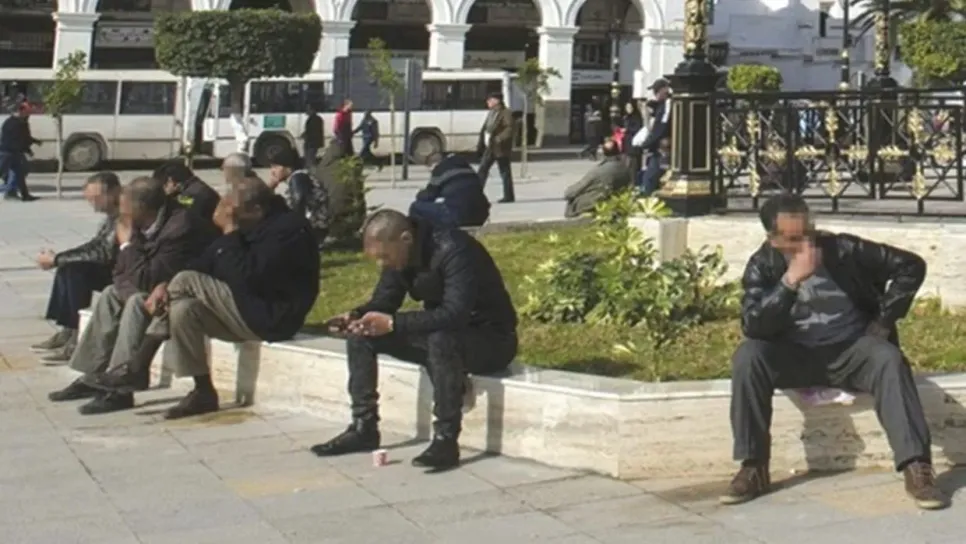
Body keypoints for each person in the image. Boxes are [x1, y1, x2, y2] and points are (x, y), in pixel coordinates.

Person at [723, 194, 947, 510]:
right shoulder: (763, 265)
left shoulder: (843, 250)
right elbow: (754, 325)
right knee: (748, 356)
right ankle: (753, 467)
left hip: (851, 349)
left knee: (887, 358)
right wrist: (789, 282)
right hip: (796, 354)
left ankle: (917, 468)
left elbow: (911, 266)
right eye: (793, 239)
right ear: (773, 239)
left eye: (808, 233)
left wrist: (883, 321)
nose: (805, 245)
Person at [94, 178, 320, 419]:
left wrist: (230, 232)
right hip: (244, 309)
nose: (226, 213)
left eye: (233, 209)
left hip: (272, 316)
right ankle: (203, 391)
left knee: (186, 280)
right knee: (183, 310)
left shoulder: (288, 230)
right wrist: (165, 285)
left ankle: (139, 365)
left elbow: (247, 277)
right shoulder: (249, 222)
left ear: (256, 209)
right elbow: (204, 262)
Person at [310, 209, 518, 470]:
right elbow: (385, 301)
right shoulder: (400, 257)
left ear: (406, 239)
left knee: (442, 340)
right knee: (361, 336)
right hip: (442, 335)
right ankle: (364, 427)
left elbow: (455, 313)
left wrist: (393, 324)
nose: (382, 264)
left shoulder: (454, 249)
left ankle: (446, 439)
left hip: (491, 340)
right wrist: (356, 316)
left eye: (385, 257)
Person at [46, 177, 217, 415]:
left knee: (137, 302)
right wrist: (126, 285)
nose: (121, 211)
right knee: (111, 293)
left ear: (142, 207)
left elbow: (151, 276)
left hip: (182, 291)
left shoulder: (180, 227)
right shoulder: (137, 222)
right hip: (150, 285)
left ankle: (120, 389)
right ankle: (93, 376)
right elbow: (120, 271)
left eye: (125, 205)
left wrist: (128, 248)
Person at [31, 172, 121, 362]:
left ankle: (75, 338)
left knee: (75, 271)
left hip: (125, 272)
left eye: (96, 198)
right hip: (114, 266)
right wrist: (59, 258)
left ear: (114, 192)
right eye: (90, 200)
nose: (94, 205)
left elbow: (104, 253)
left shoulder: (125, 214)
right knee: (68, 267)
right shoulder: (111, 215)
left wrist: (57, 259)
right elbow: (95, 244)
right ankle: (67, 330)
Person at [267, 147, 331, 245]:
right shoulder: (299, 176)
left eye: (276, 167)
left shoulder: (298, 178)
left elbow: (299, 201)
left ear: (287, 167)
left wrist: (293, 227)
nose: (272, 171)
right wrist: (270, 188)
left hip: (312, 229)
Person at [409, 152, 490, 228]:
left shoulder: (439, 169)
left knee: (415, 207)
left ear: (433, 164)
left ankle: (423, 236)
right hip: (481, 215)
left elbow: (428, 196)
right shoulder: (466, 166)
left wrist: (420, 194)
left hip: (458, 215)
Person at [563, 139, 632, 219]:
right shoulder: (624, 168)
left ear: (603, 153)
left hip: (597, 202)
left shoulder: (598, 171)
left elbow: (577, 188)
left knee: (573, 199)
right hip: (617, 201)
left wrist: (569, 192)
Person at [476, 92, 515, 204]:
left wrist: (499, 138)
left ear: (497, 101)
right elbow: (486, 128)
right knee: (482, 169)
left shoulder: (505, 113)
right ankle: (476, 194)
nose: (488, 102)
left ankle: (508, 196)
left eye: (490, 100)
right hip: (490, 147)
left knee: (504, 172)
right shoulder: (491, 112)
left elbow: (509, 129)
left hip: (500, 148)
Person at [152, 160, 220, 220]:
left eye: (162, 187)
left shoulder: (189, 196)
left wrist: (168, 198)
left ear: (171, 182)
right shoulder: (198, 188)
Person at [638, 78, 671, 195]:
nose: (654, 94)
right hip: (658, 148)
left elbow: (660, 128)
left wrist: (646, 143)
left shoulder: (668, 105)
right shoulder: (662, 105)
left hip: (662, 148)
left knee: (650, 179)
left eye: (656, 91)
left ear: (663, 90)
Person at [0, 103, 40, 202]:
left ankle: (24, 195)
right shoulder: (15, 123)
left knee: (20, 173)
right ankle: (12, 192)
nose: (29, 114)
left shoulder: (16, 122)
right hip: (7, 152)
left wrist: (30, 145)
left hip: (15, 152)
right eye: (27, 112)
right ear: (21, 111)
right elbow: (22, 139)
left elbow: (24, 138)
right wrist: (28, 148)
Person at [302, 103, 325, 168]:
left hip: (311, 143)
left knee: (310, 159)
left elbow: (313, 131)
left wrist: (306, 135)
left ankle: (311, 170)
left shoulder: (314, 119)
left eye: (308, 109)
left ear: (312, 110)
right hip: (312, 143)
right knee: (310, 159)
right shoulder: (315, 118)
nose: (306, 111)